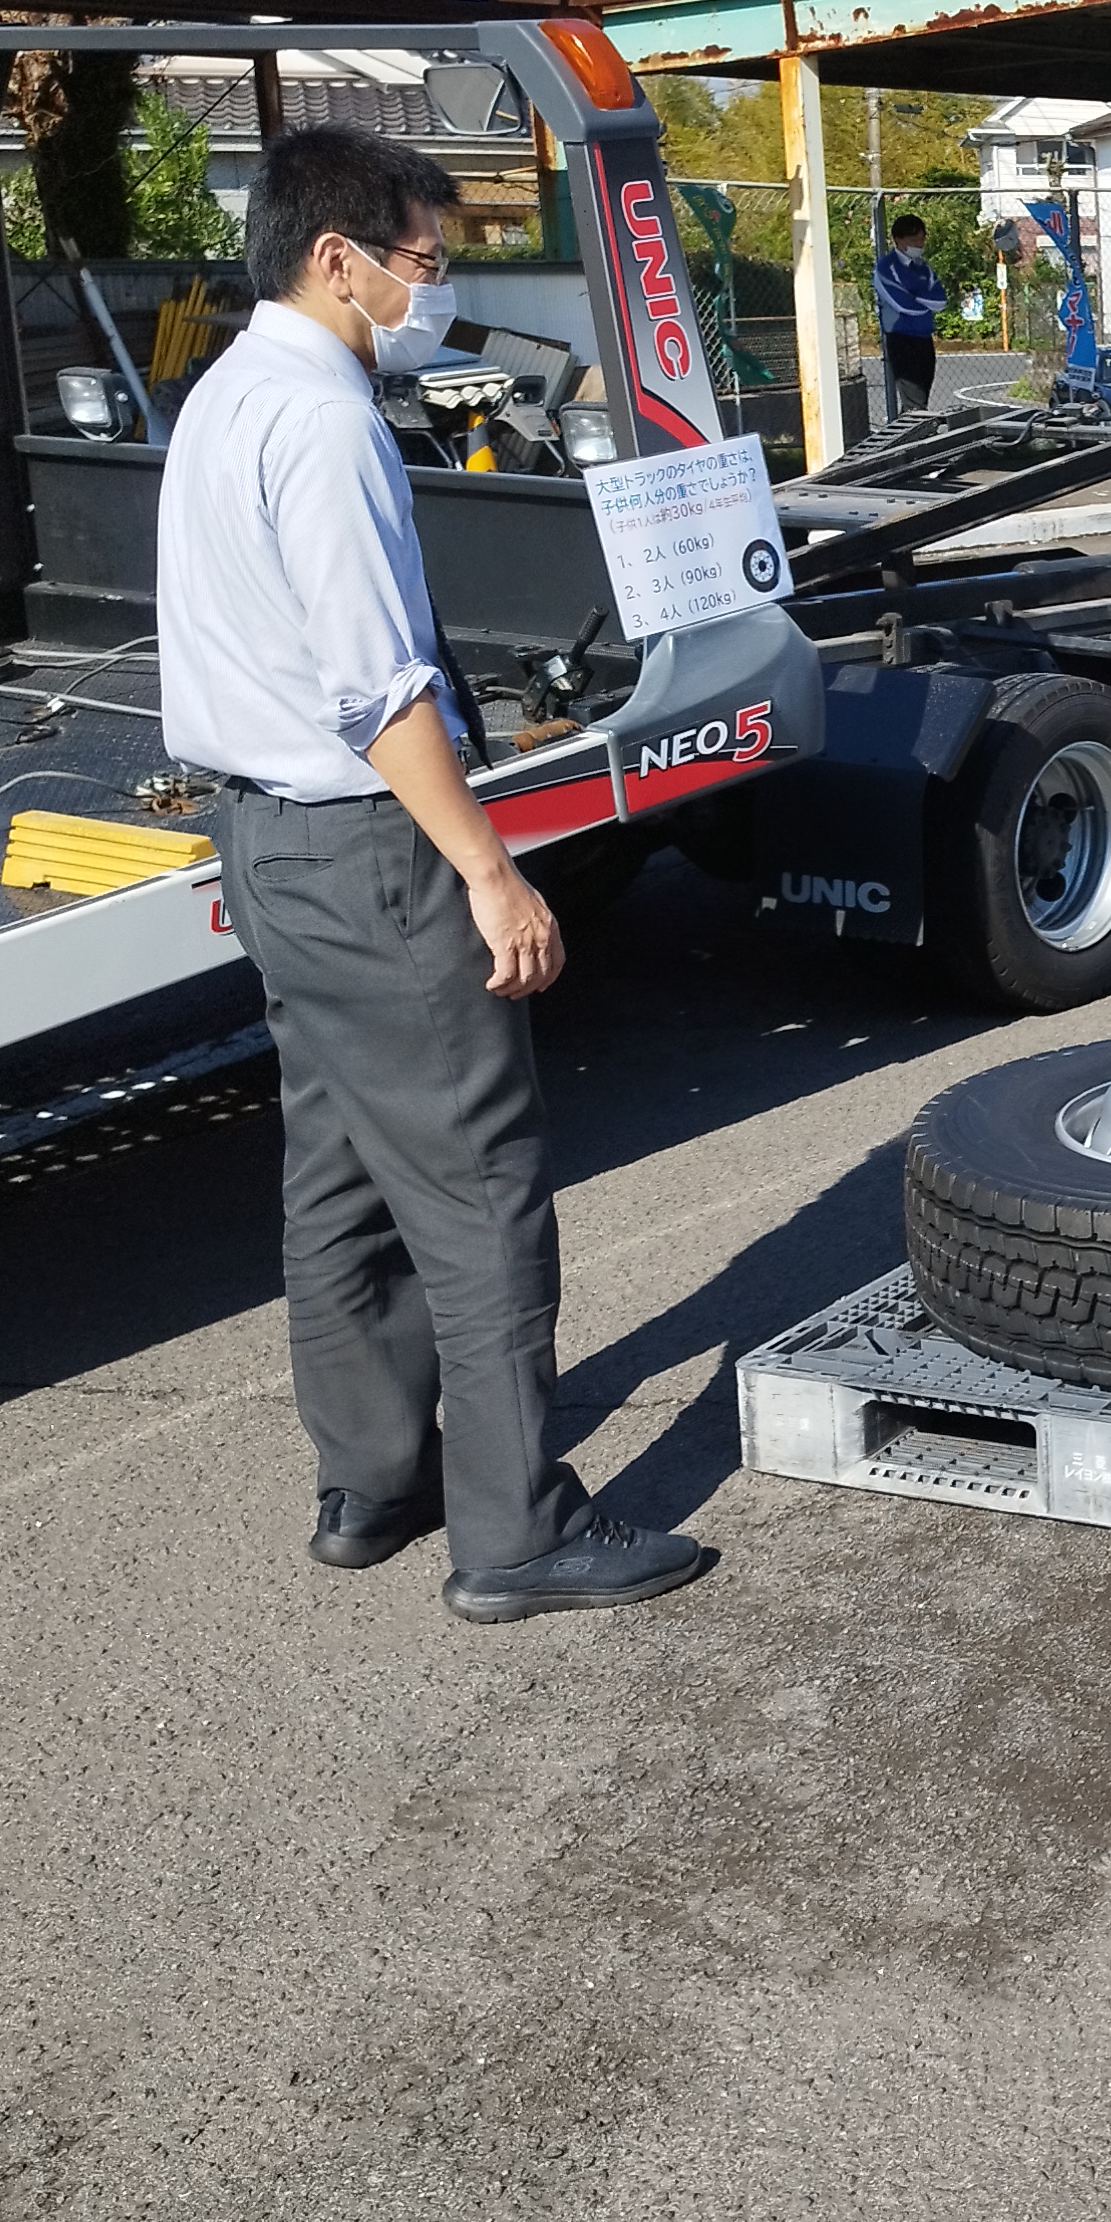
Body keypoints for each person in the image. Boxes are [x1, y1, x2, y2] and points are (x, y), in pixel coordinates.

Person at [157, 122, 707, 1626]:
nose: (436, 290)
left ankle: (371, 1486)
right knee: (475, 1189)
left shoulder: (224, 393)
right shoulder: (326, 422)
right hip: (367, 846)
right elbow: (378, 686)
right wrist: (491, 870)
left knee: (336, 1175)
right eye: (422, 260)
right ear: (335, 257)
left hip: (266, 841)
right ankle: (516, 1533)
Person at [873, 213, 947, 424]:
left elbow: (940, 301)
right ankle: (911, 440)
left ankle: (914, 437)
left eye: (922, 239)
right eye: (914, 240)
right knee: (913, 399)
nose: (919, 244)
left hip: (924, 337)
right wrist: (921, 301)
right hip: (900, 337)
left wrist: (914, 295)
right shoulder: (886, 267)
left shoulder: (923, 268)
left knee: (922, 395)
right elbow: (902, 304)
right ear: (898, 240)